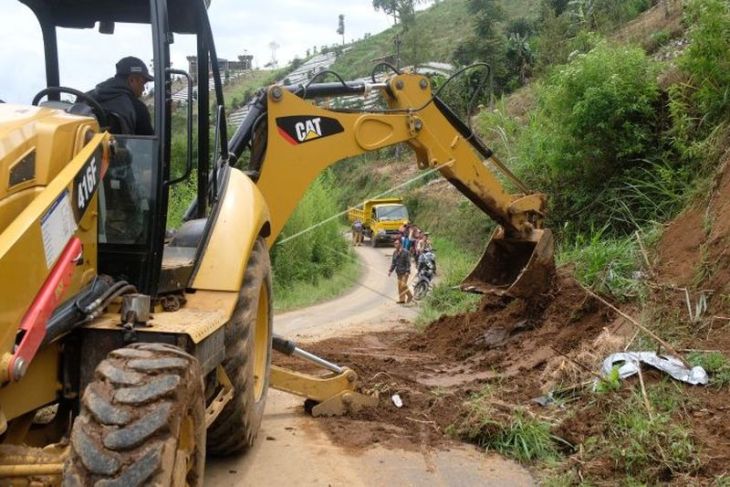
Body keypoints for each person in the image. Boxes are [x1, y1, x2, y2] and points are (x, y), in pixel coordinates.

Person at [88, 56, 154, 135]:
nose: (143, 89)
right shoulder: (137, 108)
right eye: (143, 83)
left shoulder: (85, 98)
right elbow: (148, 145)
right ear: (132, 80)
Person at [388, 238, 413, 304]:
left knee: (403, 285)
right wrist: (390, 271)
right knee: (399, 286)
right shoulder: (395, 252)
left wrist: (407, 271)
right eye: (395, 243)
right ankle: (402, 300)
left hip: (405, 272)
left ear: (400, 244)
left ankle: (410, 296)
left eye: (397, 243)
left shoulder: (406, 252)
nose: (395, 245)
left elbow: (408, 263)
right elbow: (393, 263)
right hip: (398, 272)